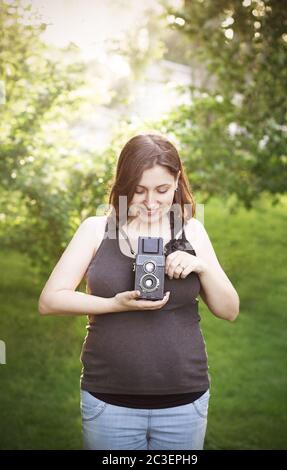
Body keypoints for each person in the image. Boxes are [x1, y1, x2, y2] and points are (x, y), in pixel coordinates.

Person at [38, 133, 240, 450]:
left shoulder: (192, 231)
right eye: (139, 190)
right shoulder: (96, 229)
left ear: (176, 181)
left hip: (183, 400)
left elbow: (229, 311)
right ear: (123, 184)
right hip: (109, 399)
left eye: (161, 190)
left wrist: (202, 266)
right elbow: (50, 300)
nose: (150, 202)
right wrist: (115, 304)